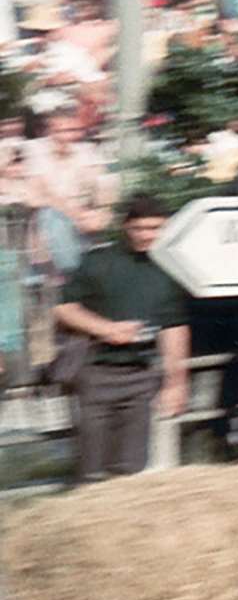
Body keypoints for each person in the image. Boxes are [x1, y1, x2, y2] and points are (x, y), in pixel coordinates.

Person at [52, 192, 189, 482]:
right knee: (92, 471)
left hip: (141, 376)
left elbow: (175, 327)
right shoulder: (99, 260)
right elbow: (64, 309)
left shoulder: (171, 267)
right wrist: (106, 329)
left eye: (154, 228)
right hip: (97, 372)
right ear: (126, 227)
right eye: (139, 228)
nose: (146, 235)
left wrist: (176, 383)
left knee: (132, 470)